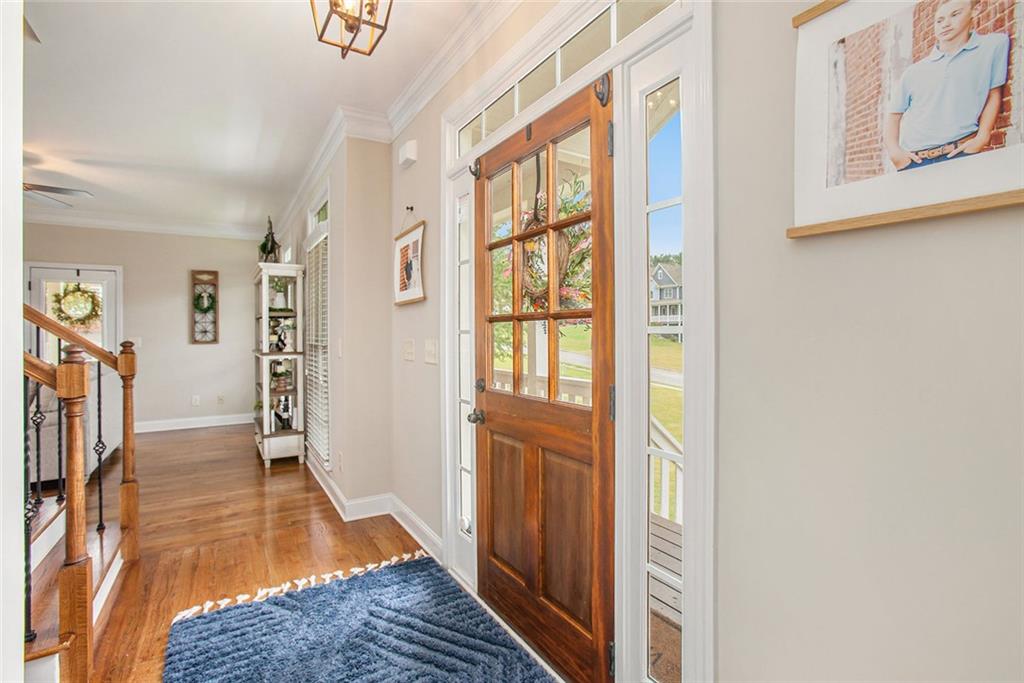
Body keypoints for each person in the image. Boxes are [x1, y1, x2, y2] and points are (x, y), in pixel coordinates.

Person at [884, 0, 1011, 171]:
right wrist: (895, 153)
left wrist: (983, 137)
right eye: (940, 20)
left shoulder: (994, 46)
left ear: (975, 11)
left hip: (961, 153)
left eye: (955, 14)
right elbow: (893, 115)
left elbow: (993, 94)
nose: (946, 24)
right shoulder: (914, 71)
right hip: (915, 161)